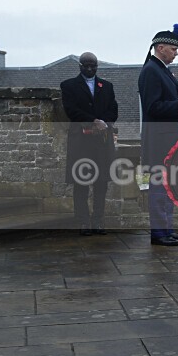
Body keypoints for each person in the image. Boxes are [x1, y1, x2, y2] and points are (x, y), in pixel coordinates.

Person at [139, 24, 178, 246]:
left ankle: (167, 228)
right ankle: (158, 233)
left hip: (169, 138)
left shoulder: (162, 70)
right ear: (161, 47)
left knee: (168, 187)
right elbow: (153, 107)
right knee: (159, 187)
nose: (176, 53)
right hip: (158, 140)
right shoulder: (150, 71)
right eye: (173, 49)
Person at [61, 52, 118, 236]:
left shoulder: (107, 86)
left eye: (93, 66)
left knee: (101, 183)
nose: (90, 69)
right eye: (86, 66)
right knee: (81, 182)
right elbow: (71, 110)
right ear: (79, 66)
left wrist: (104, 122)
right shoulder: (69, 85)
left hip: (102, 141)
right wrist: (93, 120)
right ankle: (83, 221)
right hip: (81, 141)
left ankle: (98, 221)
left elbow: (113, 110)